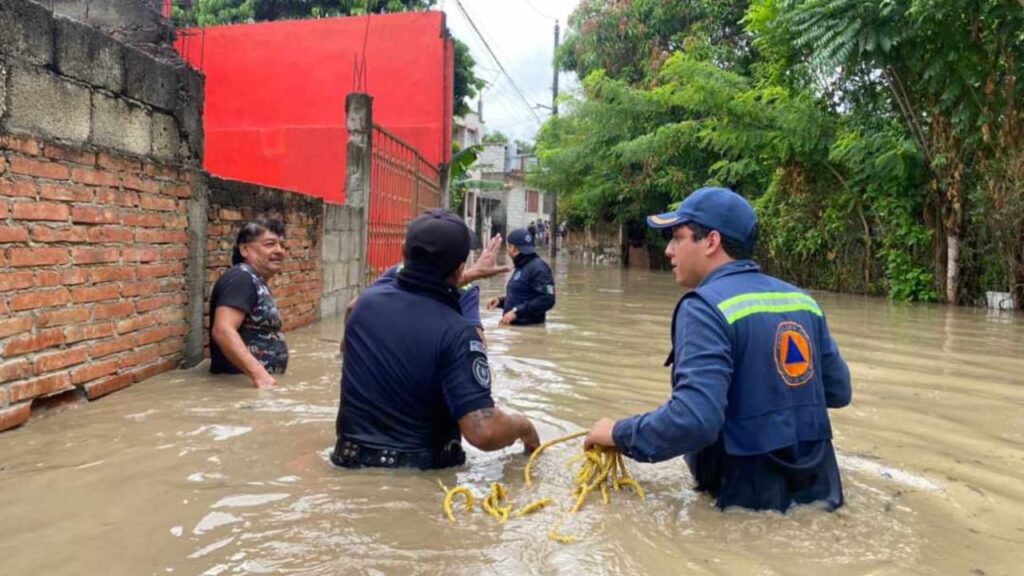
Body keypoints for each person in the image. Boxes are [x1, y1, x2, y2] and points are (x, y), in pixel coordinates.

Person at [584, 187, 852, 512]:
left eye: (677, 237)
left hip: (747, 503)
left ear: (711, 241)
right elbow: (838, 392)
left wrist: (617, 433)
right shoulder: (802, 300)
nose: (669, 250)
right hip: (823, 490)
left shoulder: (705, 307)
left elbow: (694, 420)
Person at [332, 209, 540, 469]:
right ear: (459, 269)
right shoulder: (458, 332)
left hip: (344, 463)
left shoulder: (362, 306)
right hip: (417, 480)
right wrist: (524, 426)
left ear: (402, 252)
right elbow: (483, 432)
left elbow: (352, 320)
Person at [344, 233, 511, 347]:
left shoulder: (398, 271)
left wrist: (347, 353)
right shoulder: (467, 290)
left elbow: (353, 307)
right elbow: (478, 342)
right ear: (460, 266)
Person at [209, 219, 289, 389]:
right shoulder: (242, 278)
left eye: (282, 245)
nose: (280, 251)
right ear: (245, 249)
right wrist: (260, 376)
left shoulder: (254, 279)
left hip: (248, 387)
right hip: (239, 388)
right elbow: (223, 330)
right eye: (270, 244)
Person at [485, 228, 556, 326]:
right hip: (514, 332)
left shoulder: (539, 268)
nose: (508, 250)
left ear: (514, 249)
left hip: (530, 332)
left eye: (509, 246)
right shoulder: (522, 266)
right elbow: (521, 296)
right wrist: (500, 301)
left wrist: (517, 312)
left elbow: (547, 299)